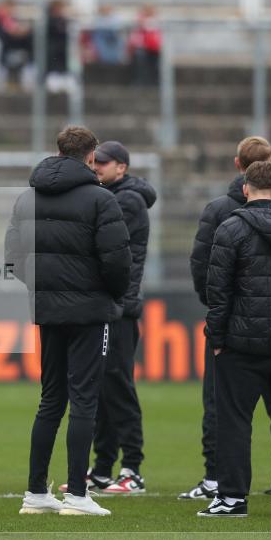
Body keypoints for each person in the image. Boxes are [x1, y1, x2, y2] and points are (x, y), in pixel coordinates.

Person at [5, 126, 131, 516]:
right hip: (90, 313)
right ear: (91, 157)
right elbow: (117, 260)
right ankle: (77, 494)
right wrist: (111, 294)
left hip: (48, 311)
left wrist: (44, 287)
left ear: (59, 151)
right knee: (85, 400)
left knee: (50, 400)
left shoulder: (28, 198)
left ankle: (36, 493)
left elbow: (13, 256)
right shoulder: (101, 199)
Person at [184, 136, 271, 500]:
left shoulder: (223, 214)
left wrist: (219, 327)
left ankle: (220, 484)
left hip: (238, 333)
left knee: (226, 412)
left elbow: (206, 272)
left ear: (240, 168)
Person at [90, 141, 155, 494]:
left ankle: (132, 468)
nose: (97, 167)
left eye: (104, 162)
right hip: (111, 307)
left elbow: (111, 252)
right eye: (95, 161)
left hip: (120, 308)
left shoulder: (126, 201)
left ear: (122, 167)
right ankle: (102, 468)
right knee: (105, 389)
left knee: (118, 387)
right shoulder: (114, 195)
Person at [0, 0, 33, 90]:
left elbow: (17, 32)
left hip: (14, 47)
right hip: (1, 50)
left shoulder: (14, 19)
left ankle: (28, 78)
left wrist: (21, 33)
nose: (10, 10)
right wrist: (11, 33)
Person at [128, 5, 161, 86]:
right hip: (142, 47)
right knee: (141, 64)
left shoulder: (155, 21)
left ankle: (152, 82)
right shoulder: (140, 21)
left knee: (153, 65)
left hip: (153, 47)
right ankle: (140, 81)